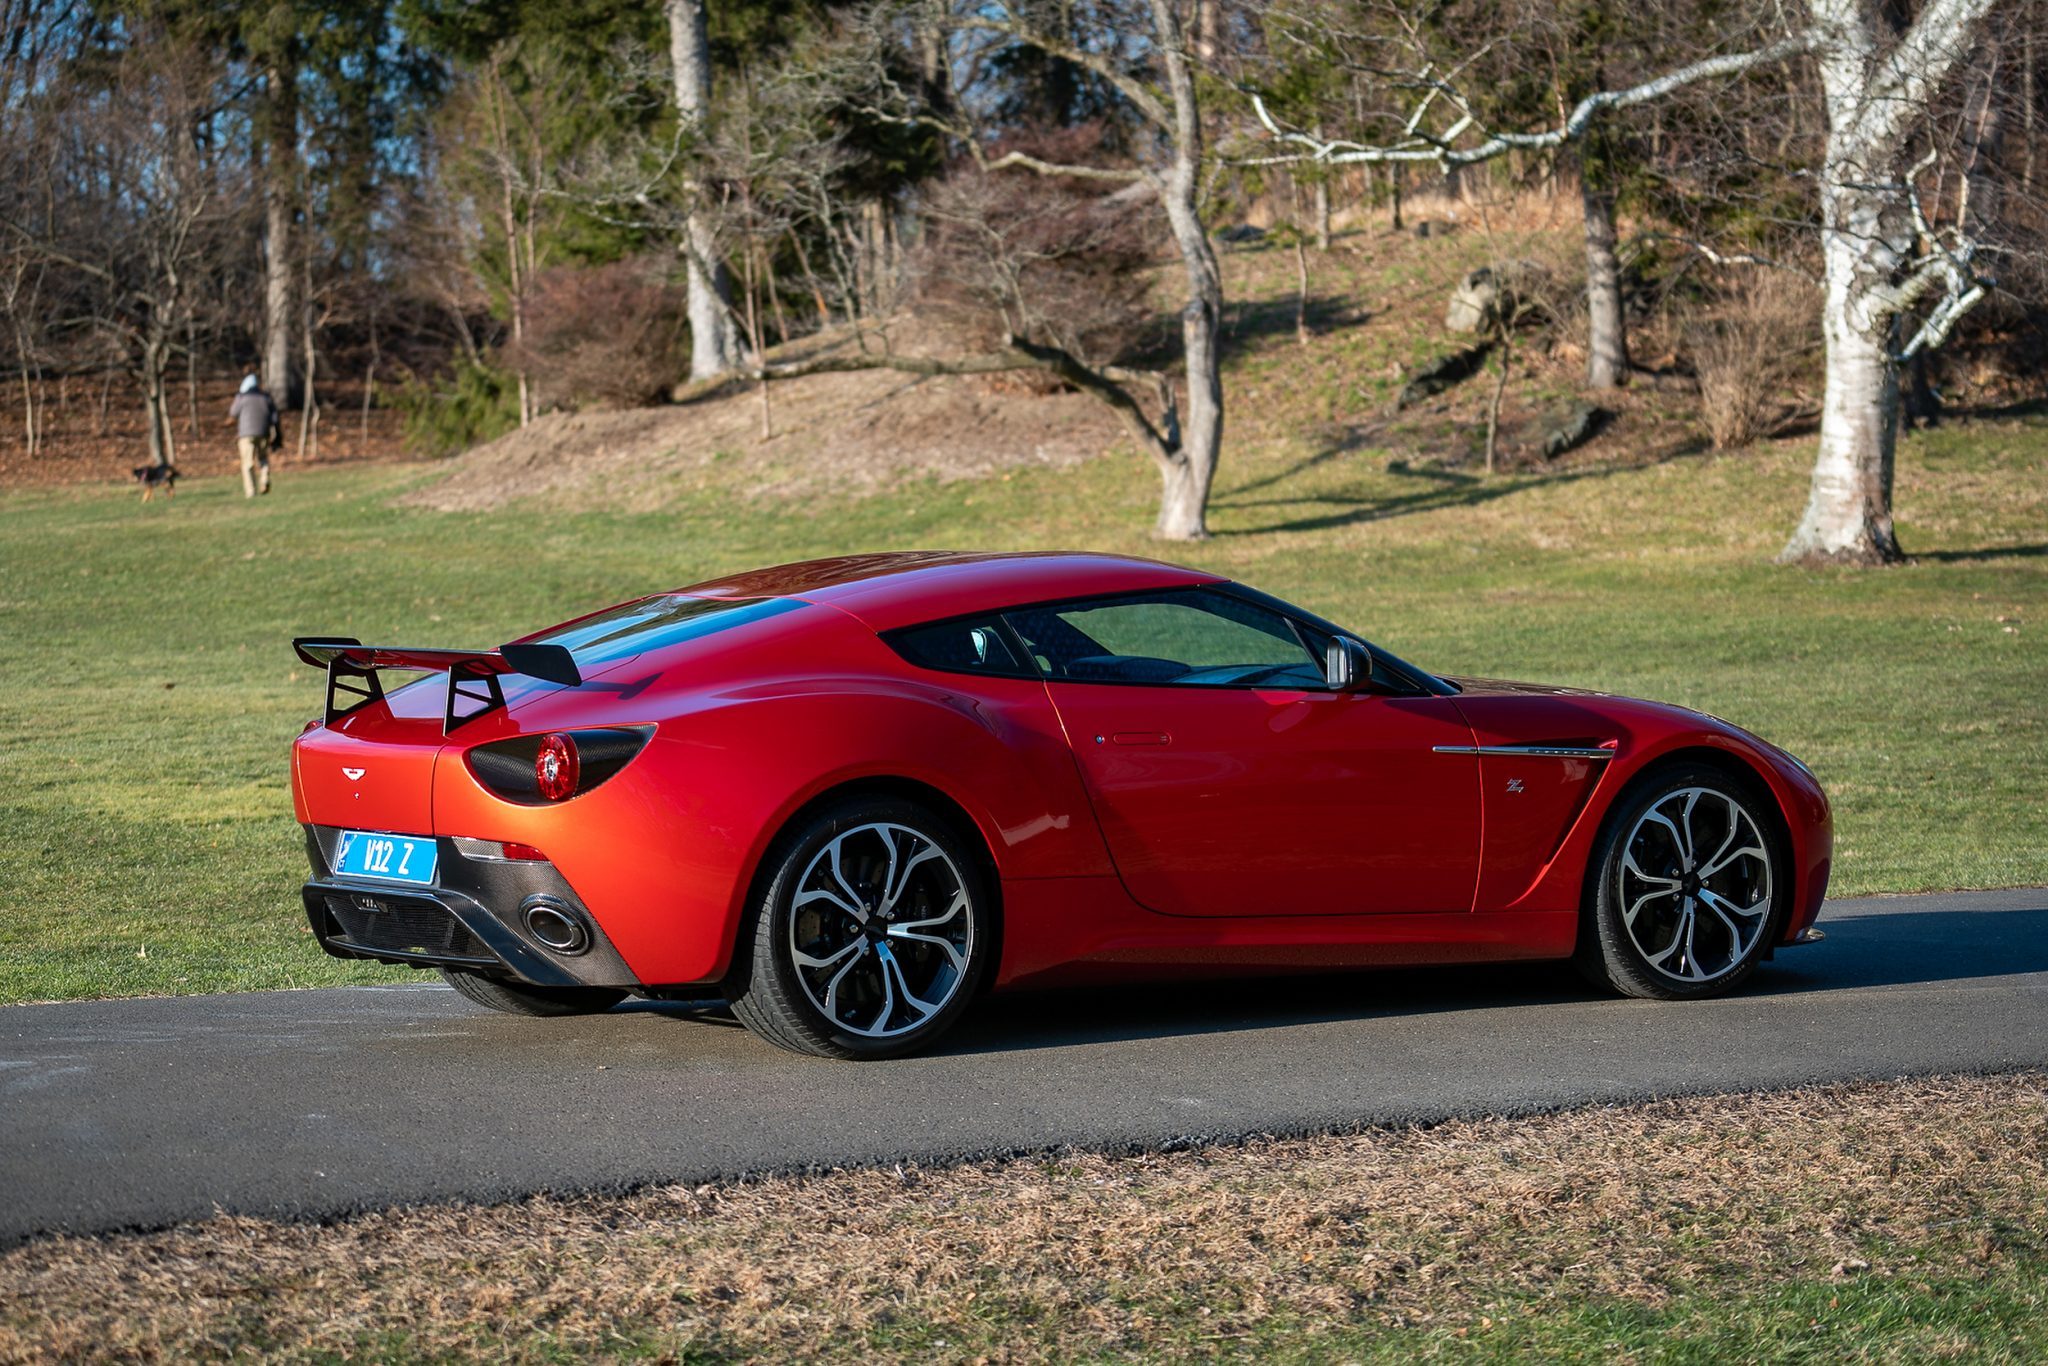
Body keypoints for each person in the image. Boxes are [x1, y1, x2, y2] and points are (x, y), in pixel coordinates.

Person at [228, 374, 279, 497]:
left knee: (247, 463)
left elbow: (233, 412)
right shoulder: (266, 397)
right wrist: (275, 434)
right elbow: (274, 418)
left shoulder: (241, 398)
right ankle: (264, 479)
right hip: (263, 433)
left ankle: (251, 491)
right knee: (263, 459)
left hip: (246, 435)